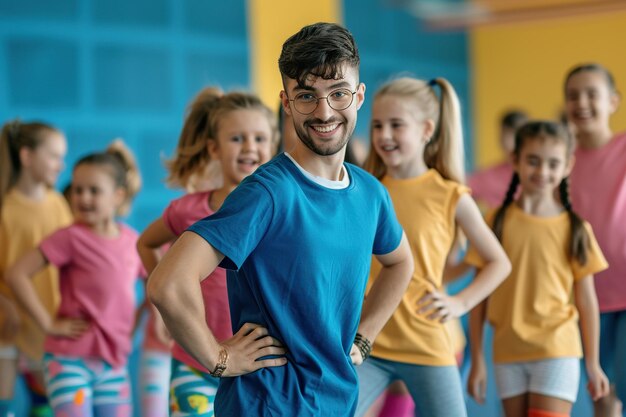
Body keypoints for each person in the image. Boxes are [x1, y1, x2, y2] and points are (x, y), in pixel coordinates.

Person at [148, 22, 413, 417]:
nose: (324, 112)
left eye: (338, 94)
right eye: (307, 96)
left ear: (358, 97)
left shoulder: (371, 194)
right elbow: (168, 283)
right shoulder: (266, 193)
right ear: (286, 104)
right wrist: (218, 358)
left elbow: (400, 263)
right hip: (266, 403)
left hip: (336, 401)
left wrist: (363, 340)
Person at [355, 77, 510, 417]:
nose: (384, 135)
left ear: (426, 129)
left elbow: (499, 262)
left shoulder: (451, 196)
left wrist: (460, 302)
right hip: (370, 342)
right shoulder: (364, 190)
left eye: (396, 125)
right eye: (378, 125)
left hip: (427, 343)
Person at [137, 89, 278, 416]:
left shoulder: (277, 210)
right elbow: (145, 243)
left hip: (254, 364)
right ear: (214, 147)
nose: (250, 147)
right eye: (237, 139)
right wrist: (160, 310)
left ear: (272, 146)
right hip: (194, 362)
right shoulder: (188, 209)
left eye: (259, 138)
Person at [466, 121, 610, 417]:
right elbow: (477, 295)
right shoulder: (495, 222)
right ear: (515, 160)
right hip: (507, 351)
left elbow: (587, 301)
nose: (542, 171)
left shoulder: (576, 229)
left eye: (552, 163)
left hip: (558, 349)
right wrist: (478, 358)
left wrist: (593, 363)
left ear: (567, 166)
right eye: (533, 161)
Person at [6, 140, 144, 417]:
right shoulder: (69, 237)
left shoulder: (132, 241)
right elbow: (16, 273)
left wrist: (137, 325)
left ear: (117, 196)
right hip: (69, 359)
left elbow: (158, 287)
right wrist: (48, 323)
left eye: (94, 191)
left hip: (113, 362)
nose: (83, 198)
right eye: (78, 190)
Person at [564, 63, 625, 417]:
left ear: (613, 101)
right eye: (573, 96)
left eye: (592, 94)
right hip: (586, 295)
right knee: (602, 393)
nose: (581, 103)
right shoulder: (559, 161)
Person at [0, 119, 73, 417]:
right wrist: (5, 305)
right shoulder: (5, 208)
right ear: (27, 157)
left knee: (44, 403)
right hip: (7, 326)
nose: (60, 164)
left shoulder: (58, 204)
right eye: (54, 156)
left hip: (46, 324)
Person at [468, 110, 528, 210]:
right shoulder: (485, 177)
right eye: (508, 134)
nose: (512, 140)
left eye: (516, 134)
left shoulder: (537, 175)